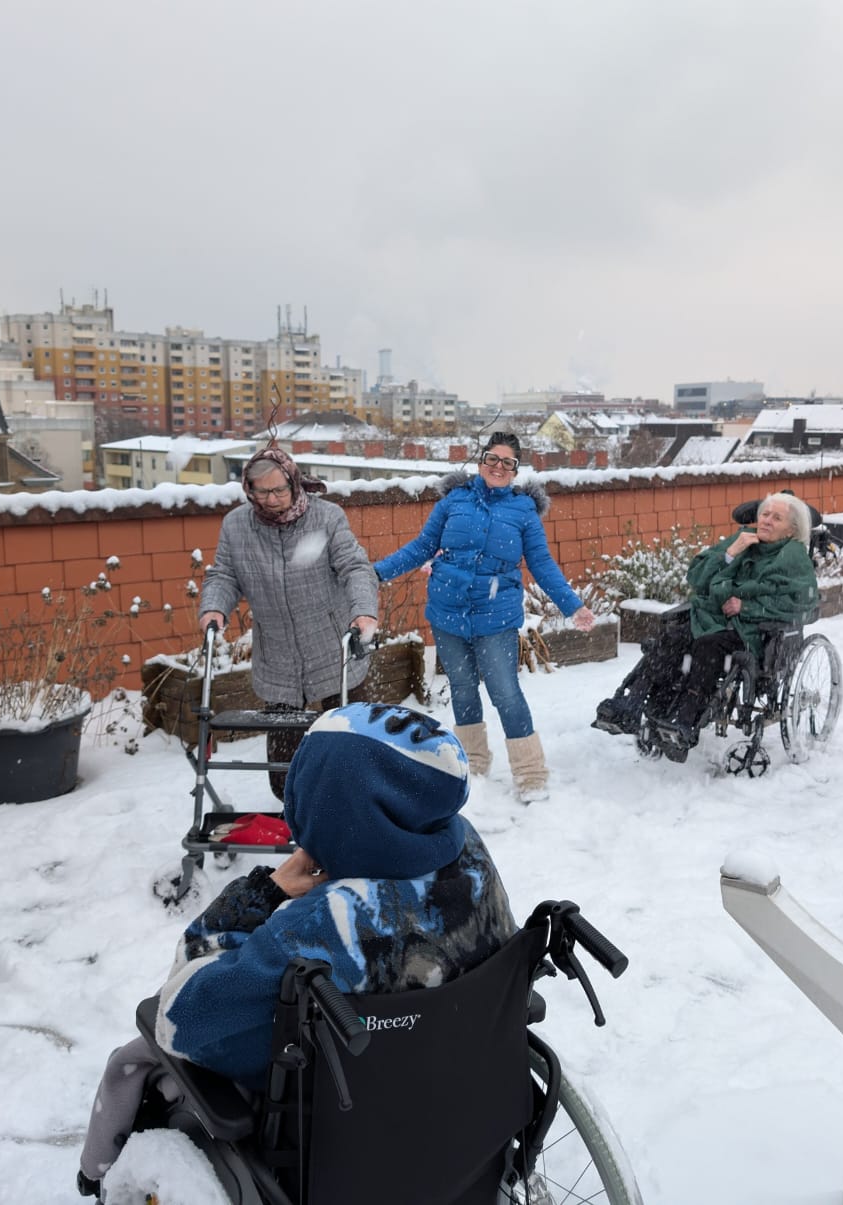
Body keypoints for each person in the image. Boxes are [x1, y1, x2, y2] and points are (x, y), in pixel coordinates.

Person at [77, 702, 516, 1197]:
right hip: (462, 1091)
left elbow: (181, 1018)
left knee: (135, 1058)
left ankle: (96, 1172)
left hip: (350, 1134)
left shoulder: (327, 925)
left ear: (327, 812)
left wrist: (259, 895)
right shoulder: (468, 854)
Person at [373, 432, 595, 803]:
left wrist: (573, 605)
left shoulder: (523, 511)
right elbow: (424, 546)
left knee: (506, 693)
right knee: (461, 688)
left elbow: (540, 563)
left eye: (507, 463)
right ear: (480, 462)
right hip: (448, 613)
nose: (498, 467)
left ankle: (530, 773)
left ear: (515, 471)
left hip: (496, 617)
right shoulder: (454, 500)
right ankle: (472, 764)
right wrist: (378, 572)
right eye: (492, 459)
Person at [197, 446, 379, 800]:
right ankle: (298, 824)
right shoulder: (237, 526)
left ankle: (362, 819)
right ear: (249, 489)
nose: (272, 499)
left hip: (333, 651)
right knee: (284, 769)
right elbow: (224, 575)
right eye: (262, 491)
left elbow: (355, 568)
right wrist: (214, 607)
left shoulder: (326, 518)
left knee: (357, 751)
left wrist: (363, 611)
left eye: (280, 489)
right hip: (278, 658)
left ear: (295, 484)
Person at [594, 493, 818, 762]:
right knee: (673, 637)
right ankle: (632, 701)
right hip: (712, 616)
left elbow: (802, 603)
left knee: (708, 646)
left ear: (792, 529)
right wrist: (729, 554)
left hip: (753, 631)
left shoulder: (793, 558)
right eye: (764, 514)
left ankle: (686, 716)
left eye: (776, 517)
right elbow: (697, 578)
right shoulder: (742, 539)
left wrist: (746, 607)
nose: (766, 521)